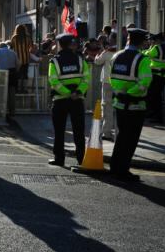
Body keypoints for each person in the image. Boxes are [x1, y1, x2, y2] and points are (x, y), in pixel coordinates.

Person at [109, 28, 153, 181]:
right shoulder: (142, 59)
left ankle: (114, 167)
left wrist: (121, 92)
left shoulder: (116, 56)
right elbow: (145, 82)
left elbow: (111, 79)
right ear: (141, 42)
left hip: (119, 104)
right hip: (135, 106)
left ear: (128, 39)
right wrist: (130, 94)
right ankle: (123, 170)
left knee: (121, 137)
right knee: (130, 139)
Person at [47, 34, 91, 166]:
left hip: (60, 100)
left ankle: (59, 159)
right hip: (77, 100)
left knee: (59, 131)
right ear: (71, 44)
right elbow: (86, 79)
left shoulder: (54, 61)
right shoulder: (80, 59)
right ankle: (81, 158)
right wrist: (77, 92)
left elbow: (54, 82)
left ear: (60, 44)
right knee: (79, 130)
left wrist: (67, 93)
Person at [144, 32, 165, 124]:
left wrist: (149, 48)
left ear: (158, 40)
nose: (152, 42)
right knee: (155, 95)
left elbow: (145, 54)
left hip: (156, 75)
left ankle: (157, 117)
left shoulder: (157, 48)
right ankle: (152, 114)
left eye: (153, 40)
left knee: (153, 96)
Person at [94, 40, 119, 141]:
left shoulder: (106, 53)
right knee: (118, 106)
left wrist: (98, 54)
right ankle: (118, 132)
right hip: (118, 82)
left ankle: (107, 132)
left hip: (107, 82)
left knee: (106, 106)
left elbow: (97, 61)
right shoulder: (120, 53)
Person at [0, 41, 19, 120]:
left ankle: (2, 110)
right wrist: (16, 71)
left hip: (2, 73)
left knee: (1, 92)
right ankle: (12, 111)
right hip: (12, 73)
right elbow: (18, 63)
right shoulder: (13, 52)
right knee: (11, 93)